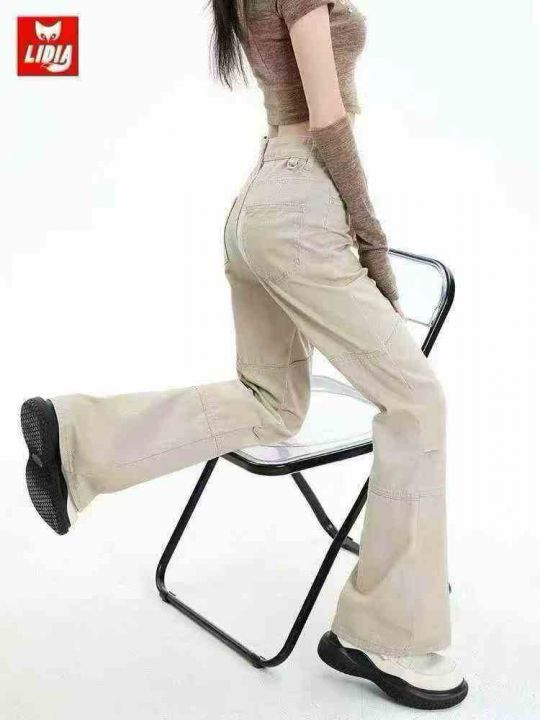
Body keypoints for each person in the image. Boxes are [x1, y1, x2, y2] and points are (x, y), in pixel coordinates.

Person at [20, 0, 468, 710]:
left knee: (271, 402)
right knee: (416, 399)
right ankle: (387, 632)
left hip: (260, 200)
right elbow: (327, 118)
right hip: (300, 203)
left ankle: (77, 439)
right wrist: (372, 240)